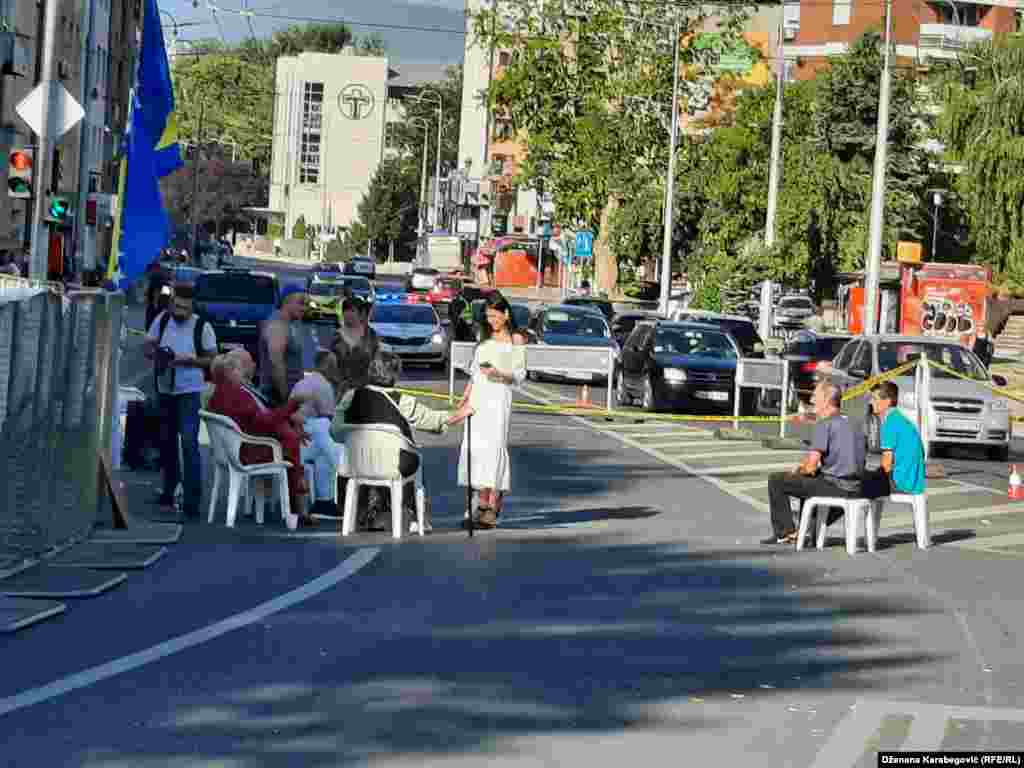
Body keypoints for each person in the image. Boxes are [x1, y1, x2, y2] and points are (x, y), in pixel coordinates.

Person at [331, 344, 472, 532]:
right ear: (395, 374)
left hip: (356, 464)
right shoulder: (402, 401)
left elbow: (335, 431)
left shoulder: (351, 396)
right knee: (411, 461)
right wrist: (461, 413)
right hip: (393, 465)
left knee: (366, 455)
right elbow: (432, 420)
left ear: (371, 371)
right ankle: (418, 516)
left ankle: (365, 513)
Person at [208, 350, 317, 527]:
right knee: (291, 445)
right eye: (237, 369)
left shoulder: (218, 395)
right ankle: (296, 509)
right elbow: (264, 421)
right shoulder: (238, 394)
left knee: (290, 439)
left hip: (236, 448)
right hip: (249, 451)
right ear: (228, 373)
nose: (242, 373)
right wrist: (293, 405)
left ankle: (297, 505)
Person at [144, 283, 217, 519]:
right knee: (166, 442)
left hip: (190, 391)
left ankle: (192, 501)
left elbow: (212, 361)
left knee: (188, 443)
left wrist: (190, 361)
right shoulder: (162, 320)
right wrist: (158, 355)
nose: (179, 312)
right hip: (165, 388)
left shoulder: (202, 326)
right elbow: (148, 346)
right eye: (176, 306)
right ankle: (168, 490)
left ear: (192, 306)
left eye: (184, 308)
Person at [763, 379, 866, 545]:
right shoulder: (854, 423)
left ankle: (785, 533)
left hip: (836, 487)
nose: (811, 401)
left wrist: (799, 470)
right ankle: (808, 531)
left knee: (776, 480)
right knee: (811, 481)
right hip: (856, 487)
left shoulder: (824, 424)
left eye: (815, 396)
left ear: (826, 400)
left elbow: (811, 466)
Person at [458, 292, 528, 529]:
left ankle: (493, 502)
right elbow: (475, 372)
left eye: (495, 316)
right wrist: (466, 395)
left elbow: (520, 375)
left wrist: (500, 374)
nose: (492, 321)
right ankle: (479, 502)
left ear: (506, 314)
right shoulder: (484, 337)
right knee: (476, 449)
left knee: (494, 449)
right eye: (488, 316)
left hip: (499, 398)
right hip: (479, 397)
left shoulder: (516, 340)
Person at [291, 350, 347, 516]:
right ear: (327, 367)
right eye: (334, 366)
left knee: (323, 455)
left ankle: (324, 502)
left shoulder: (303, 382)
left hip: (298, 440)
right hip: (304, 440)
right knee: (324, 428)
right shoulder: (323, 385)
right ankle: (346, 469)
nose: (336, 369)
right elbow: (330, 420)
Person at [861, 381, 926, 500]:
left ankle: (862, 519)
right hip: (916, 484)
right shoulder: (902, 420)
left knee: (856, 486)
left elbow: (886, 464)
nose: (871, 402)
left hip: (900, 484)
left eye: (875, 399)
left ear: (887, 401)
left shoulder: (890, 424)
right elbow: (922, 452)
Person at [259, 285, 308, 406]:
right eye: (301, 303)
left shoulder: (288, 324)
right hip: (276, 397)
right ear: (287, 301)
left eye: (306, 304)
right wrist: (286, 400)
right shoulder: (277, 325)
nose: (304, 308)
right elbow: (276, 365)